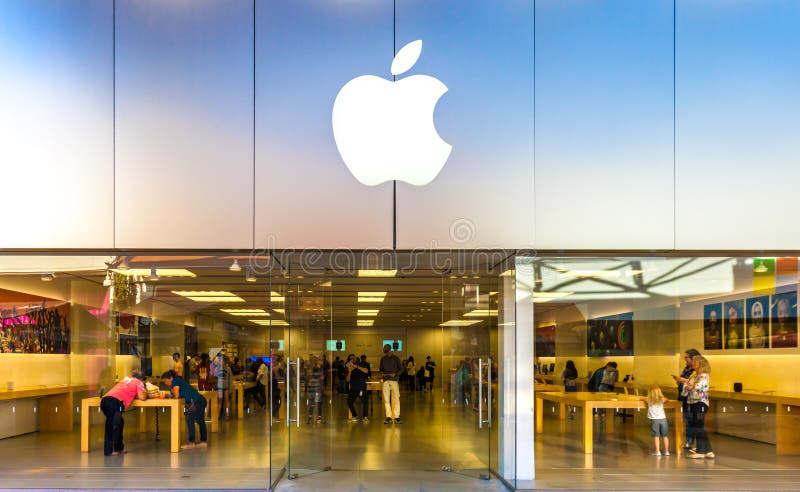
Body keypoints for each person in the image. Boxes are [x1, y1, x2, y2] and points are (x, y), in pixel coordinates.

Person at [100, 372, 147, 456]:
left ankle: (119, 448)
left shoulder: (125, 380)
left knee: (119, 422)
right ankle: (109, 451)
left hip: (105, 400)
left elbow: (127, 391)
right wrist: (145, 391)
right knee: (112, 425)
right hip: (115, 403)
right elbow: (142, 397)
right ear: (141, 379)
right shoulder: (139, 383)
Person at [161, 370, 207, 449]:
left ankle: (191, 443)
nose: (165, 383)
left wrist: (171, 394)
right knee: (200, 421)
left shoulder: (175, 381)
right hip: (199, 400)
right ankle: (203, 442)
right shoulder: (176, 380)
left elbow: (177, 395)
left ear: (170, 378)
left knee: (190, 420)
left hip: (196, 402)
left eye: (165, 381)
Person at [685, 355, 714, 459]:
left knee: (699, 426)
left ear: (700, 364)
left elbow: (698, 387)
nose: (693, 363)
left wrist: (690, 386)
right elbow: (687, 387)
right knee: (699, 426)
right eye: (693, 361)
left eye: (695, 362)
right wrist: (688, 385)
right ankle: (708, 451)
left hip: (700, 403)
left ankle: (701, 451)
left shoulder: (704, 376)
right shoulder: (693, 375)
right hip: (693, 402)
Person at [672, 348, 701, 450]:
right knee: (686, 420)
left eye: (686, 357)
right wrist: (678, 380)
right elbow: (684, 379)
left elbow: (692, 383)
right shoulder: (686, 368)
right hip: (682, 397)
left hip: (690, 398)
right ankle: (688, 442)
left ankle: (691, 443)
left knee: (691, 420)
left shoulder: (696, 370)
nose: (685, 359)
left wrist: (681, 380)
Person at [379, 344, 403, 424]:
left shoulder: (396, 358)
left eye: (385, 348)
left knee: (397, 398)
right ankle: (388, 417)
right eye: (383, 348)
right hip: (385, 380)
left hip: (394, 379)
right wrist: (382, 373)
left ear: (389, 349)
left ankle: (397, 417)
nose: (384, 349)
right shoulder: (382, 359)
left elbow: (401, 369)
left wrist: (396, 374)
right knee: (386, 399)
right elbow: (381, 369)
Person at [647, 384, 670, 456]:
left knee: (656, 436)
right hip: (663, 419)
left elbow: (642, 399)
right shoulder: (662, 400)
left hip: (655, 420)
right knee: (665, 436)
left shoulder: (648, 400)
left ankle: (657, 451)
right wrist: (663, 397)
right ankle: (666, 451)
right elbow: (667, 399)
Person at [347, 355, 370, 422]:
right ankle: (355, 416)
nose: (352, 360)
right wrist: (350, 371)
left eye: (353, 359)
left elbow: (366, 371)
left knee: (365, 402)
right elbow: (347, 380)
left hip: (361, 387)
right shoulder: (349, 368)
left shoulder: (362, 365)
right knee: (349, 402)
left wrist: (357, 367)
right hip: (353, 388)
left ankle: (365, 417)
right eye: (350, 359)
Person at [307, 357, 325, 424]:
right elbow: (314, 377)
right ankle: (311, 417)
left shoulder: (321, 368)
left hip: (318, 388)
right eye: (320, 360)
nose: (322, 361)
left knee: (318, 403)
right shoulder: (316, 368)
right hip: (316, 388)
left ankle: (317, 417)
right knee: (314, 403)